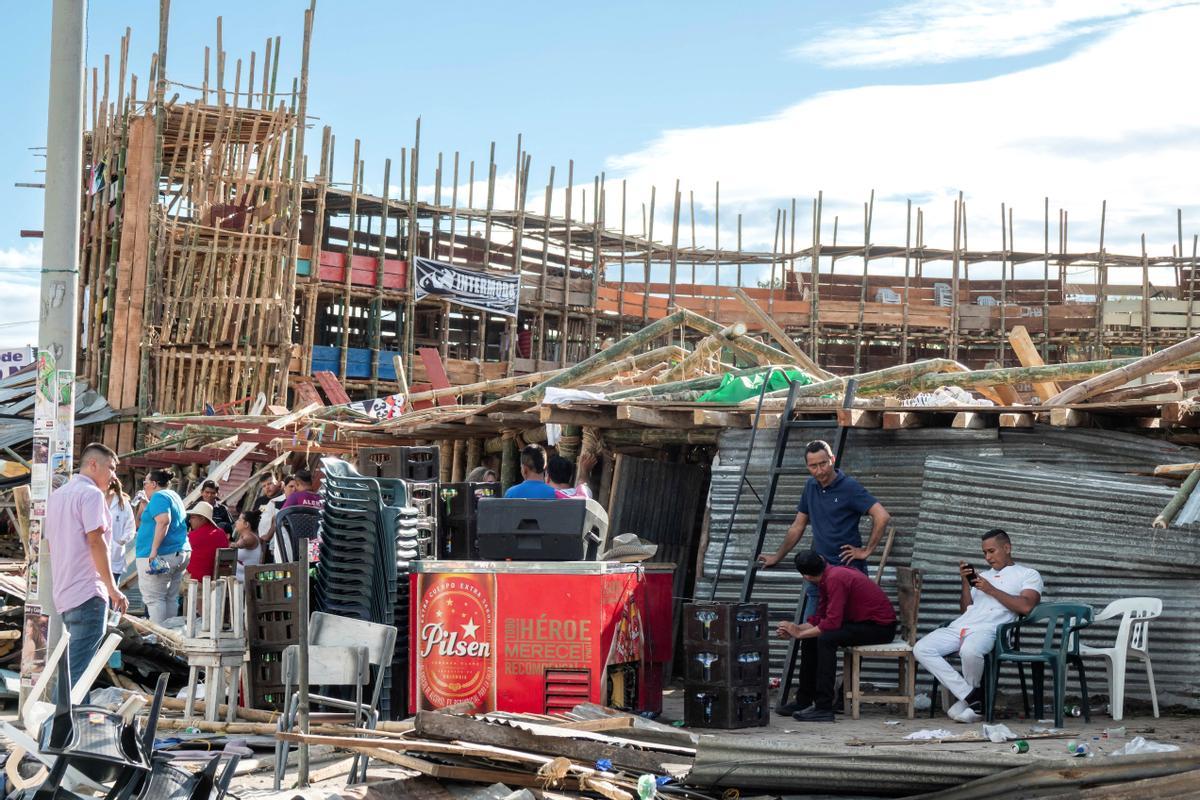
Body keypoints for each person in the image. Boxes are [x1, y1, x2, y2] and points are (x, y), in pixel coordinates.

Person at [914, 529, 1043, 723]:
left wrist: (991, 589)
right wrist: (966, 583)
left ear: (1007, 548)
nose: (988, 557)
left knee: (970, 650)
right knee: (921, 648)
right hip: (962, 626)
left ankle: (970, 702)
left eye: (992, 551)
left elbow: (1026, 606)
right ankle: (973, 697)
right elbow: (966, 609)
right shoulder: (982, 576)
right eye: (984, 553)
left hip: (991, 630)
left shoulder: (1028, 574)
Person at [44, 443, 129, 699]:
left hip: (65, 593)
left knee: (71, 671)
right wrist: (113, 589)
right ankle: (61, 734)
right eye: (111, 468)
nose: (114, 476)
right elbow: (96, 541)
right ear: (93, 464)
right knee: (77, 677)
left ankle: (58, 731)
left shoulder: (59, 495)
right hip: (88, 593)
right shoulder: (91, 495)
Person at [775, 551, 897, 722]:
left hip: (880, 628)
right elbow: (821, 618)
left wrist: (799, 633)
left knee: (826, 638)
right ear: (823, 559)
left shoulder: (835, 579)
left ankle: (823, 707)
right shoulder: (828, 576)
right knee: (811, 638)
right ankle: (803, 700)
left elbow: (831, 623)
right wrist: (796, 629)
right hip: (862, 623)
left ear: (806, 577)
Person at [135, 469, 192, 623]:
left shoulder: (159, 497)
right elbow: (142, 523)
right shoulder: (173, 496)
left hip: (161, 553)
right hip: (178, 552)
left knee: (154, 598)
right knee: (170, 597)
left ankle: (159, 638)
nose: (144, 486)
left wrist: (154, 551)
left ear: (154, 484)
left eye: (145, 483)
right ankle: (170, 636)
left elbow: (163, 520)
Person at [185, 501, 230, 583]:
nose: (189, 521)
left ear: (202, 518)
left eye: (192, 517)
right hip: (218, 581)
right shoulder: (222, 534)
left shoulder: (192, 536)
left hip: (195, 582)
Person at [106, 479, 136, 586]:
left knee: (113, 593)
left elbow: (130, 527)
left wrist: (121, 541)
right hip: (96, 556)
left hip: (115, 555)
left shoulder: (122, 503)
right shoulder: (94, 500)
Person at [233, 510, 263, 581]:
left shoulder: (250, 537)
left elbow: (244, 542)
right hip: (238, 579)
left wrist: (236, 545)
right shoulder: (243, 536)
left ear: (246, 524)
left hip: (246, 581)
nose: (236, 522)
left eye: (239, 520)